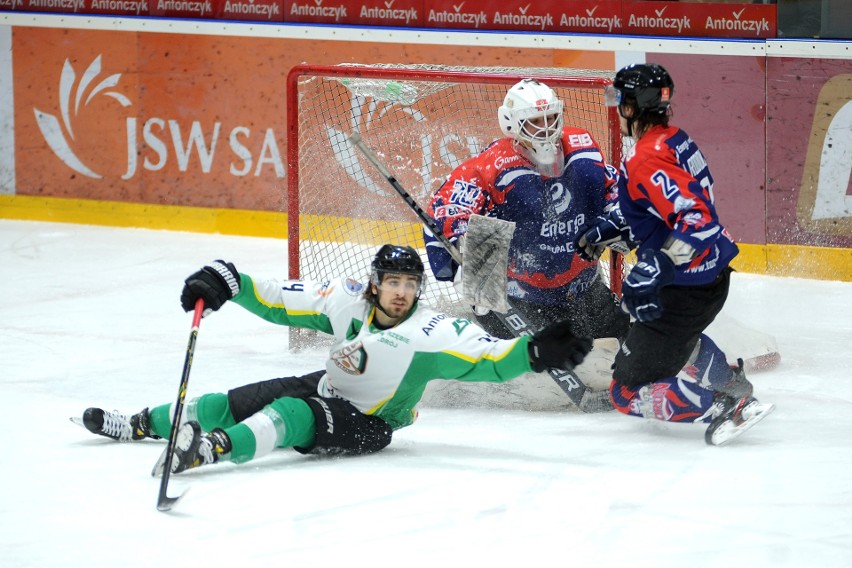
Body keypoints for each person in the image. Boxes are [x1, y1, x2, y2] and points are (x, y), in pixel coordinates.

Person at [74, 245, 593, 474]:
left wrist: (533, 352)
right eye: (393, 282)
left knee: (292, 416)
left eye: (411, 285)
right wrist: (231, 281)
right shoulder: (347, 300)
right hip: (329, 385)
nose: (401, 293)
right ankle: (139, 423)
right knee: (229, 401)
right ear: (375, 283)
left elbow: (490, 360)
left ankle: (205, 452)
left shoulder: (429, 332)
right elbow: (281, 299)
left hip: (371, 422)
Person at [573, 63, 774, 446]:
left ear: (632, 107)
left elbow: (697, 218)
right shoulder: (676, 139)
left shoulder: (645, 157)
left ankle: (726, 405)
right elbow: (665, 206)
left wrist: (660, 263)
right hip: (712, 278)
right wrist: (614, 225)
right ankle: (729, 380)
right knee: (680, 339)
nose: (617, 106)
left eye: (621, 99)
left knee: (624, 392)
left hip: (684, 287)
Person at [424, 78, 630, 344]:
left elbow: (614, 185)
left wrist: (620, 214)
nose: (546, 128)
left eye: (551, 117)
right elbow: (446, 209)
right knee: (544, 362)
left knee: (624, 338)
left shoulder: (583, 150)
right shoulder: (493, 166)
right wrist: (468, 262)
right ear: (513, 123)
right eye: (535, 121)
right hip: (516, 300)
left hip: (580, 289)